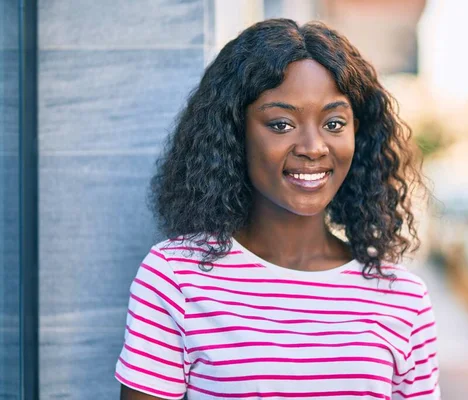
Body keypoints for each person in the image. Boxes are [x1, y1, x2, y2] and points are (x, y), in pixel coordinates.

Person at [115, 18, 440, 400]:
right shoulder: (175, 278)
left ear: (359, 134)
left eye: (334, 123)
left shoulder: (403, 297)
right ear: (235, 132)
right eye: (281, 124)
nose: (313, 146)